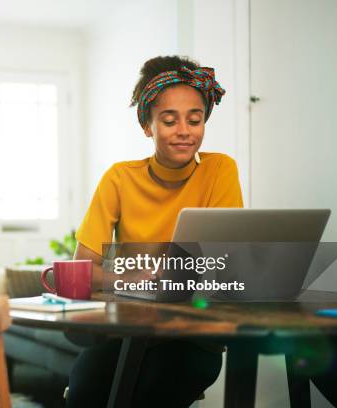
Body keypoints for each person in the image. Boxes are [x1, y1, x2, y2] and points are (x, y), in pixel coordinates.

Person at [67, 55, 243, 407]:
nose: (184, 130)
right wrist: (137, 278)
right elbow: (78, 274)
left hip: (193, 336)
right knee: (85, 390)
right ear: (147, 126)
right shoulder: (119, 178)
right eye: (169, 120)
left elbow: (226, 264)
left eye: (195, 120)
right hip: (127, 330)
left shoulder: (220, 170)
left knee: (150, 391)